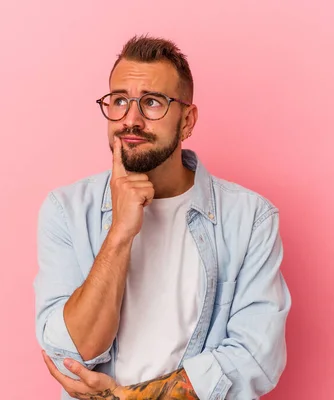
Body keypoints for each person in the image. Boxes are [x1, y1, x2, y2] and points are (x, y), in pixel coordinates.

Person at [34, 35, 291, 400]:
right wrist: (120, 232)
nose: (131, 120)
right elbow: (71, 353)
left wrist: (130, 397)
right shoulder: (67, 210)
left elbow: (256, 355)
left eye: (152, 102)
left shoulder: (250, 219)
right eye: (119, 101)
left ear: (187, 121)